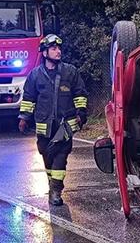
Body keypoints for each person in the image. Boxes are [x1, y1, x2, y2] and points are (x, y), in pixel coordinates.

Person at [18, 34, 88, 206]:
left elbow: (80, 93)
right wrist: (24, 118)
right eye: (54, 49)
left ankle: (56, 191)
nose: (58, 52)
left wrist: (81, 112)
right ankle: (52, 184)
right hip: (44, 127)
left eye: (59, 48)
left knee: (60, 158)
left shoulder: (70, 72)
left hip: (65, 126)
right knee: (47, 157)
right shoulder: (35, 76)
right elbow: (29, 99)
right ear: (45, 53)